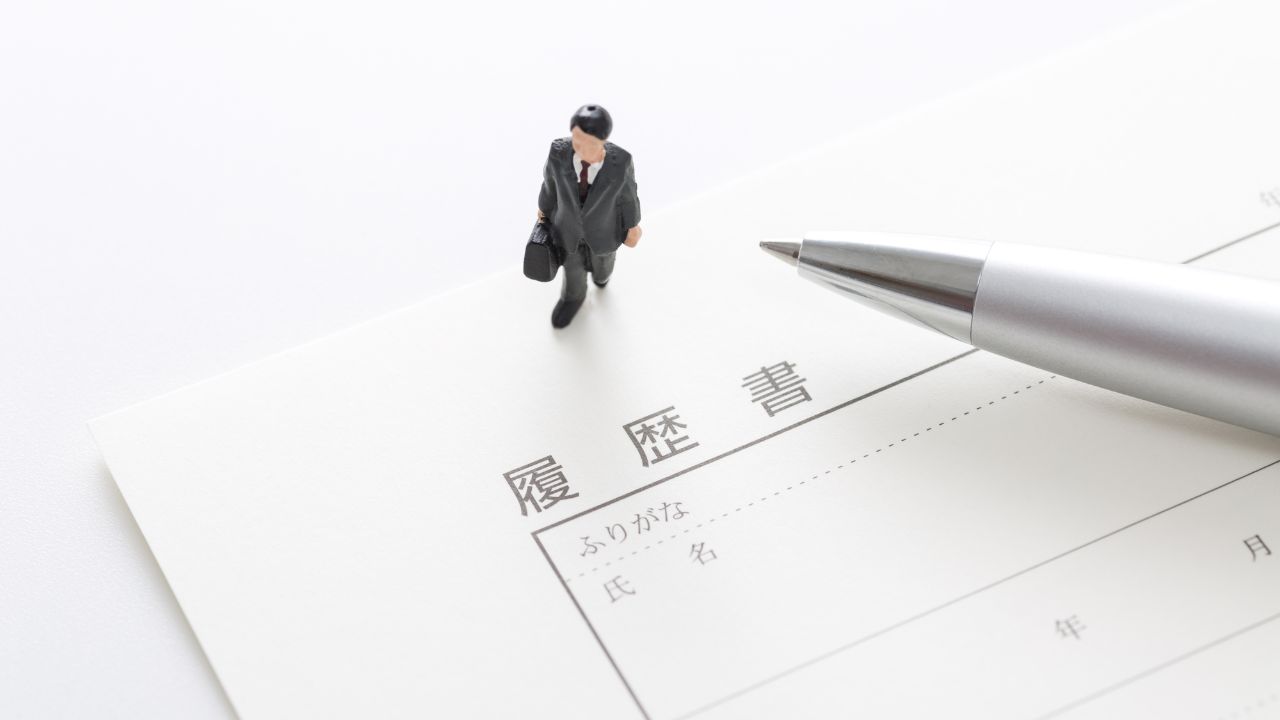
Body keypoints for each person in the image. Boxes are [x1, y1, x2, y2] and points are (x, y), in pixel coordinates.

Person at [536, 104, 642, 328]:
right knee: (572, 268)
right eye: (577, 141)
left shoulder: (620, 163)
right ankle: (573, 297)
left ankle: (602, 278)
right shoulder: (558, 153)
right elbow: (549, 184)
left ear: (603, 141)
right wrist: (544, 210)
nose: (582, 149)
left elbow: (628, 197)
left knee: (603, 265)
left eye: (590, 144)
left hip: (605, 228)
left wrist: (632, 225)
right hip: (568, 227)